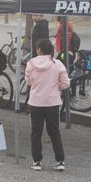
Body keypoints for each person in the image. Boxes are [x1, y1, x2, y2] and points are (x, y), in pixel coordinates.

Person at [25, 39, 70, 171]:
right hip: (52, 102)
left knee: (36, 132)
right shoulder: (57, 64)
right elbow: (66, 83)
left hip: (35, 102)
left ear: (39, 50)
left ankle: (37, 161)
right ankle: (60, 160)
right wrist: (56, 87)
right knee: (54, 132)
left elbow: (28, 82)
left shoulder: (31, 63)